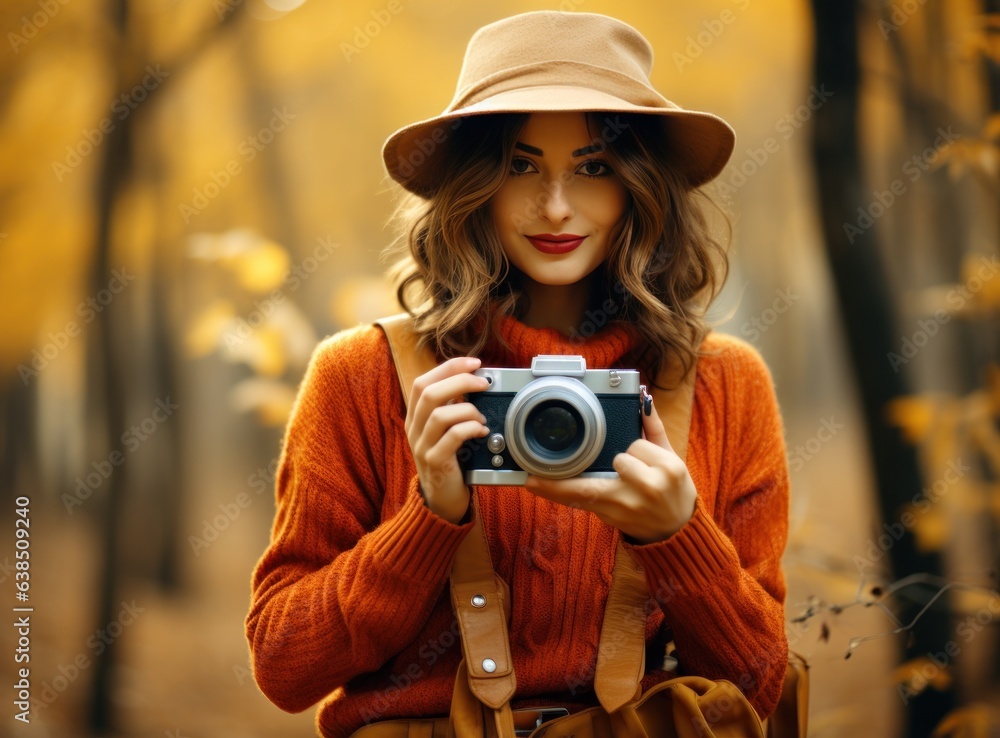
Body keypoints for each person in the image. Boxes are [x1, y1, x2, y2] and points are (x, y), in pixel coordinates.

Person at [245, 10, 790, 738]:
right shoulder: (364, 375)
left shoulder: (724, 383)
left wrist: (677, 535)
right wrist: (427, 519)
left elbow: (761, 683)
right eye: (519, 165)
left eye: (594, 167)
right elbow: (284, 668)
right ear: (472, 182)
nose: (556, 206)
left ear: (641, 184)